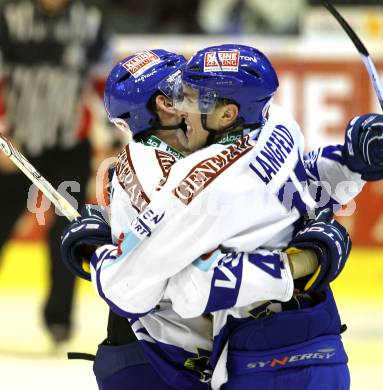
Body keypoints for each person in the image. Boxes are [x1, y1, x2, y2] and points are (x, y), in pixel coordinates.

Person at [86, 44, 380, 389]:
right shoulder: (187, 179)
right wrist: (305, 261)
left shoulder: (261, 130)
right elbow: (170, 287)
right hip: (172, 360)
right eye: (182, 92)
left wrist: (352, 162)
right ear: (164, 104)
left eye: (192, 94)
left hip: (262, 345)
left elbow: (295, 185)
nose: (185, 103)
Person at [0, 0, 110, 344]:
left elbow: (103, 80)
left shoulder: (89, 21)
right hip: (17, 145)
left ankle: (59, 319)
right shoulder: (9, 18)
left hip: (70, 145)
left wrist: (105, 138)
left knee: (68, 235)